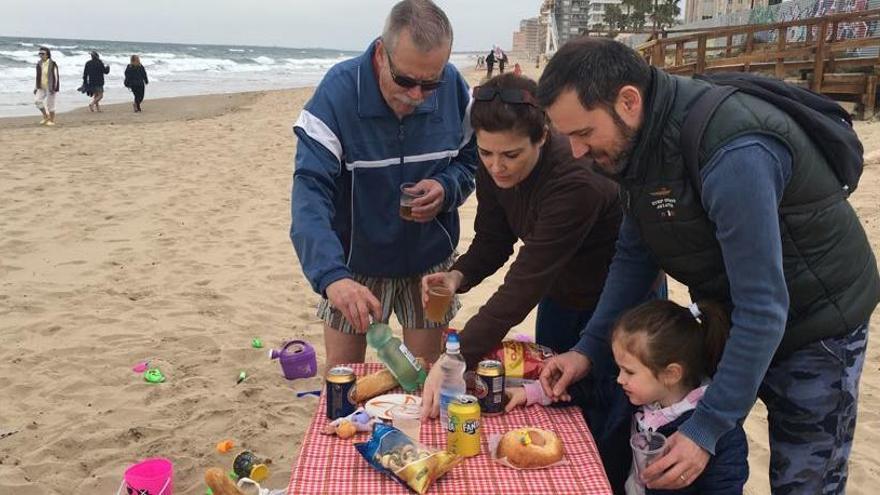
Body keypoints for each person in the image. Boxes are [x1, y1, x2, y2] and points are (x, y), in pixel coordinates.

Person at [537, 37, 879, 494]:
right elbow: (635, 257)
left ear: (628, 101)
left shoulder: (733, 151)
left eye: (583, 133)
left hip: (817, 324)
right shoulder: (636, 147)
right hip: (734, 315)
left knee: (805, 481)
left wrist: (707, 428)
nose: (577, 152)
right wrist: (587, 349)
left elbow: (764, 305)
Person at [290, 0, 477, 369]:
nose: (417, 95)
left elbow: (473, 161)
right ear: (381, 53)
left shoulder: (454, 87)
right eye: (406, 80)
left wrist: (446, 187)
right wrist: (332, 278)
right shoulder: (338, 95)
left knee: (424, 377)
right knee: (343, 380)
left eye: (430, 83)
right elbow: (310, 195)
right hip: (354, 264)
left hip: (429, 263)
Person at [612, 300, 747, 495]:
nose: (619, 379)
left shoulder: (724, 438)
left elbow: (725, 487)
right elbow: (598, 391)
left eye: (629, 372)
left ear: (671, 374)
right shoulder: (638, 394)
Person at [34, 46, 59, 126]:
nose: (41, 55)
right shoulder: (39, 64)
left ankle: (52, 120)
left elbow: (56, 76)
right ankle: (45, 116)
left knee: (50, 104)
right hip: (41, 86)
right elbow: (38, 76)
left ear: (47, 55)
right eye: (40, 53)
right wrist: (35, 87)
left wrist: (54, 88)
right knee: (37, 101)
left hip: (50, 86)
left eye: (43, 53)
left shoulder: (52, 64)